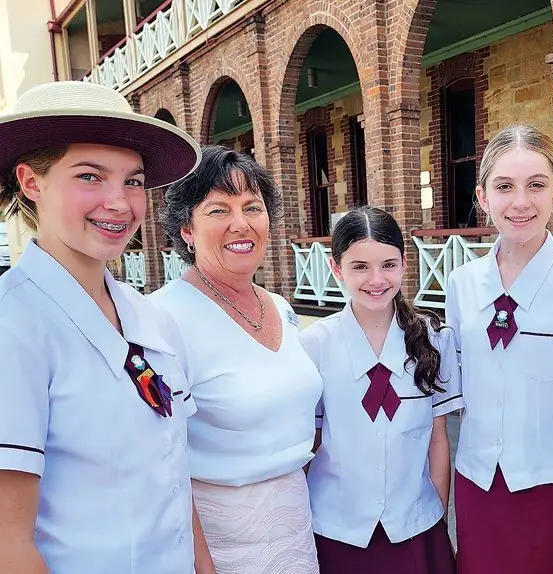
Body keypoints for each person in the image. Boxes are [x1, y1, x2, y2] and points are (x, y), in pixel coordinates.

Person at [0, 81, 201, 573]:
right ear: (31, 182)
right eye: (91, 177)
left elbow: (176, 481)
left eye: (133, 181)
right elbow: (8, 541)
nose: (119, 202)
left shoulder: (149, 316)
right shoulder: (14, 324)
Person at [444, 124, 553, 574]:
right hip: (478, 487)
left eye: (536, 185)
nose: (520, 202)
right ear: (483, 197)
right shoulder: (462, 283)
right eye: (504, 187)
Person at [149, 145, 322, 573]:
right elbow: (157, 462)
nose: (240, 224)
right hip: (220, 544)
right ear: (187, 228)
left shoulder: (280, 306)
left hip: (297, 527)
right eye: (218, 210)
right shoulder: (161, 318)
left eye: (252, 207)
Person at [299, 206, 462, 574]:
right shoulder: (313, 346)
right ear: (336, 268)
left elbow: (438, 439)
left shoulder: (434, 338)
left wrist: (434, 513)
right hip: (337, 529)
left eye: (388, 264)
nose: (376, 279)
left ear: (405, 263)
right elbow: (312, 442)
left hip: (416, 525)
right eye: (360, 267)